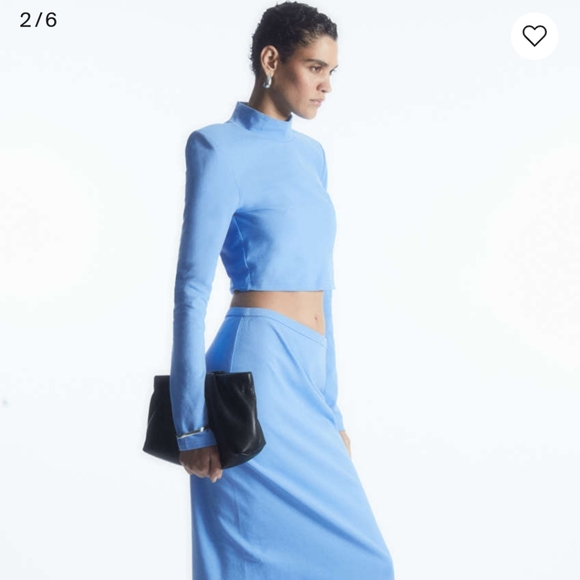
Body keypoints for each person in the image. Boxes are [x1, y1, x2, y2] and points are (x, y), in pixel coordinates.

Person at [169, 2, 394, 578]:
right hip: (255, 379)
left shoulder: (311, 156)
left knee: (365, 564)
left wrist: (331, 409)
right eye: (315, 67)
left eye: (331, 72)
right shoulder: (216, 147)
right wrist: (191, 424)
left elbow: (324, 288)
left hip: (306, 379)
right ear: (272, 60)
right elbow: (191, 290)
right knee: (250, 557)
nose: (326, 85)